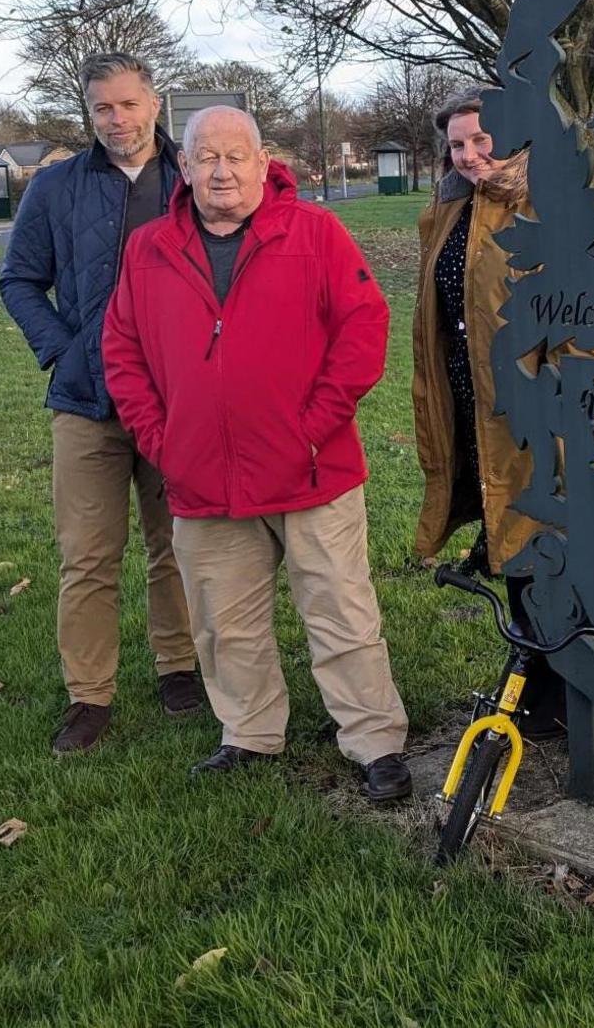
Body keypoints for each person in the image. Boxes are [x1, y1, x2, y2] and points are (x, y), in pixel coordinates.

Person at [100, 106, 413, 800]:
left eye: (235, 156)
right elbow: (121, 351)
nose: (221, 170)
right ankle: (249, 733)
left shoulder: (315, 233)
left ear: (262, 161)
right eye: (205, 157)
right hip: (203, 480)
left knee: (341, 611)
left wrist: (316, 424)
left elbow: (365, 327)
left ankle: (375, 741)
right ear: (182, 167)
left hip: (312, 470)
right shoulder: (149, 249)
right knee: (223, 621)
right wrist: (162, 441)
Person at [0, 51, 201, 756]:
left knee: (175, 543)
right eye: (101, 109)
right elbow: (19, 280)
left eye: (127, 104)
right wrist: (64, 349)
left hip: (177, 400)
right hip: (86, 401)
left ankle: (179, 665)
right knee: (87, 555)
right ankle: (90, 693)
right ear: (88, 115)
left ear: (154, 103)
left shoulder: (193, 177)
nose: (117, 119)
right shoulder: (54, 188)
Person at [410, 89, 567, 736]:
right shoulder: (452, 209)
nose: (471, 155)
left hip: (535, 407)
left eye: (481, 139)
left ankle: (558, 689)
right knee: (509, 539)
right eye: (457, 144)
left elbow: (574, 320)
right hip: (477, 402)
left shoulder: (543, 204)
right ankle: (532, 672)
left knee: (545, 541)